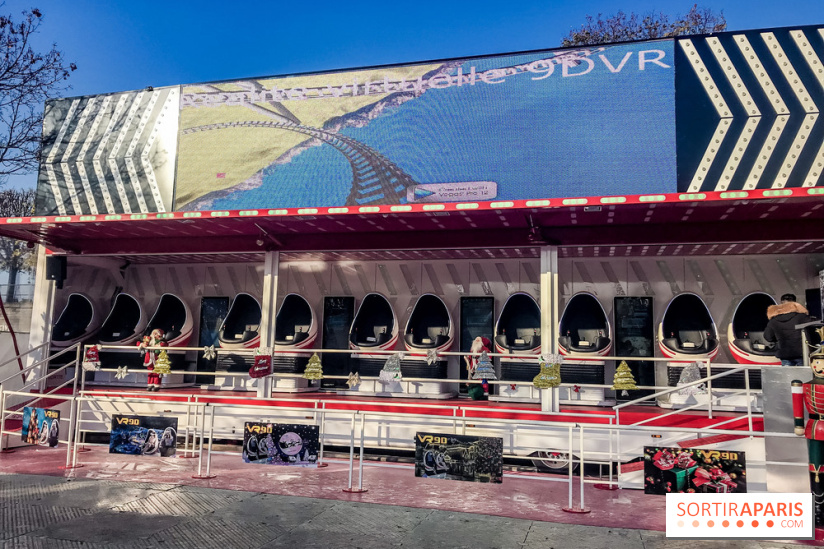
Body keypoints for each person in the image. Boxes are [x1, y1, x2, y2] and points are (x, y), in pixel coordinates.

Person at [764, 293, 815, 366]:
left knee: (787, 373)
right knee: (803, 373)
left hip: (784, 354)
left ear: (781, 303)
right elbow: (813, 332)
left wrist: (778, 338)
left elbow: (768, 337)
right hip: (802, 353)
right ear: (795, 303)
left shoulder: (774, 320)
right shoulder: (802, 317)